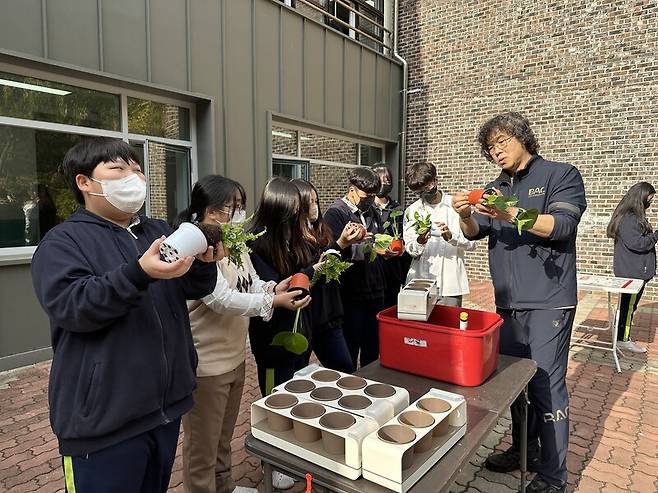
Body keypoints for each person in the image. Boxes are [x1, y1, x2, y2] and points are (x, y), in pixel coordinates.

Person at [30, 137, 218, 493]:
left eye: (137, 170)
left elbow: (187, 288)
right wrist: (138, 273)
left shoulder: (157, 230)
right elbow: (74, 307)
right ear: (84, 182)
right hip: (102, 423)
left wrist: (204, 266)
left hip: (163, 409)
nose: (134, 178)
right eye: (118, 169)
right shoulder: (61, 242)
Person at [452, 112, 586, 493]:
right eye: (490, 147)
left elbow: (562, 226)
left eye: (502, 142)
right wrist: (464, 216)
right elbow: (477, 231)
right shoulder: (496, 187)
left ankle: (553, 477)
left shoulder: (560, 175)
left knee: (546, 385)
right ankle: (522, 450)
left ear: (523, 137)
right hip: (507, 304)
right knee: (516, 384)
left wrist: (511, 212)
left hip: (548, 302)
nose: (496, 151)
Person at [177, 176, 308, 493]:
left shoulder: (232, 241)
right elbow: (221, 298)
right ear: (210, 209)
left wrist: (273, 287)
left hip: (235, 355)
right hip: (207, 362)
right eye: (231, 207)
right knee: (202, 446)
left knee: (223, 434)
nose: (239, 214)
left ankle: (224, 487)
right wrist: (272, 301)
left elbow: (246, 284)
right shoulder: (194, 244)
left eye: (240, 207)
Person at [248, 176, 316, 396]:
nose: (296, 215)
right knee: (276, 400)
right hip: (272, 339)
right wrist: (311, 272)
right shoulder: (256, 243)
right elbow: (272, 288)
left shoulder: (293, 238)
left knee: (298, 395)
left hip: (299, 330)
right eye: (292, 210)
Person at [324, 167, 395, 369]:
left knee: (373, 348)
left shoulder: (371, 210)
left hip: (375, 288)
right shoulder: (335, 213)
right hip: (351, 292)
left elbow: (378, 240)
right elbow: (334, 252)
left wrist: (386, 249)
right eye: (367, 195)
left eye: (373, 196)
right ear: (352, 190)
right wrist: (369, 249)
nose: (371, 200)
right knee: (350, 346)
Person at [292, 178, 363, 373]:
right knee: (297, 374)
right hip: (304, 315)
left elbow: (329, 256)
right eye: (309, 203)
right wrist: (315, 268)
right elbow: (298, 274)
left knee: (344, 368)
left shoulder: (321, 229)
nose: (314, 207)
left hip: (329, 314)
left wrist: (341, 243)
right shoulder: (290, 237)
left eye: (316, 201)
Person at [402, 162, 475, 306]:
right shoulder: (412, 211)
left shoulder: (456, 206)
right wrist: (420, 241)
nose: (424, 193)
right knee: (421, 326)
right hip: (420, 282)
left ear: (435, 180)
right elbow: (410, 249)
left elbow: (472, 243)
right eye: (419, 192)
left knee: (449, 325)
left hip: (450, 283)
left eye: (427, 187)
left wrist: (451, 237)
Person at [606, 181, 657, 354]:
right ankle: (623, 339)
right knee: (628, 307)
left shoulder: (631, 216)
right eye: (649, 199)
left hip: (633, 270)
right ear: (640, 197)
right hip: (632, 272)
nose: (650, 202)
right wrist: (656, 235)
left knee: (628, 306)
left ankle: (621, 336)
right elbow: (638, 243)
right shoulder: (630, 218)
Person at [371, 165, 412, 308]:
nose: (384, 184)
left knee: (391, 306)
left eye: (387, 180)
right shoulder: (368, 209)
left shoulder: (399, 209)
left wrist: (403, 249)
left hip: (393, 269)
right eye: (380, 180)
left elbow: (405, 237)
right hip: (373, 269)